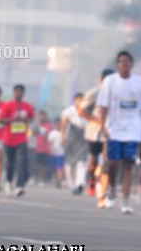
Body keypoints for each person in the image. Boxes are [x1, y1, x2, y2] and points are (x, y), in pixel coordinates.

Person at [96, 50, 141, 214]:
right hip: (114, 129)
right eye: (122, 62)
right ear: (117, 65)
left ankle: (126, 201)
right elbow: (103, 106)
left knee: (128, 164)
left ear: (132, 64)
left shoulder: (138, 83)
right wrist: (103, 127)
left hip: (133, 130)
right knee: (113, 163)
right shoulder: (110, 81)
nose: (125, 65)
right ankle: (112, 189)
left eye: (127, 62)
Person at [81, 68, 114, 198]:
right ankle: (92, 179)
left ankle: (104, 189)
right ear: (101, 79)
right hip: (94, 132)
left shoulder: (117, 93)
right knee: (93, 161)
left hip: (110, 132)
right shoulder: (93, 93)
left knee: (107, 161)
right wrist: (95, 119)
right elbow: (82, 111)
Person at [0, 84, 34, 197]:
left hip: (21, 139)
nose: (18, 93)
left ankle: (20, 186)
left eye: (21, 91)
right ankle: (8, 181)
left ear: (23, 93)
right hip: (8, 139)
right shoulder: (7, 105)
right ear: (14, 93)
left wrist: (25, 120)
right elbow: (0, 120)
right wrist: (12, 119)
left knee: (21, 162)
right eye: (17, 91)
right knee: (10, 163)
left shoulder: (27, 106)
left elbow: (32, 118)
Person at [60, 92, 88, 194]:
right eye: (78, 100)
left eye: (82, 100)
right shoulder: (69, 111)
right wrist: (62, 137)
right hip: (71, 138)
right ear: (75, 100)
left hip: (83, 137)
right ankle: (71, 183)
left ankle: (79, 183)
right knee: (70, 162)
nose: (80, 102)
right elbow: (63, 125)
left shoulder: (87, 110)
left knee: (82, 161)